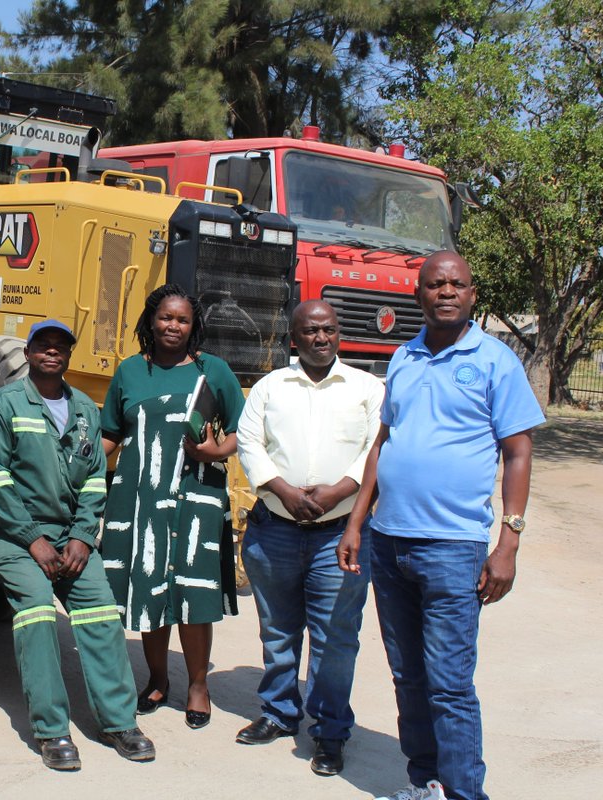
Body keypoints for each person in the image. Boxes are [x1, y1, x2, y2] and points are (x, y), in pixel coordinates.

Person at [337, 251, 544, 800]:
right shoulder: (403, 357)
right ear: (419, 295)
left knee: (449, 684)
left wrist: (509, 542)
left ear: (472, 295)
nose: (446, 291)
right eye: (435, 284)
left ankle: (463, 792)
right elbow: (384, 443)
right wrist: (358, 522)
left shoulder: (497, 361)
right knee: (408, 677)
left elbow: (518, 452)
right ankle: (425, 781)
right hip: (389, 542)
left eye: (456, 284)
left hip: (454, 548)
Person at [0, 319, 155, 770]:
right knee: (37, 612)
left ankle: (118, 722)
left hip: (68, 537)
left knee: (100, 610)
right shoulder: (3, 404)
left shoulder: (84, 410)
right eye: (43, 345)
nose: (52, 352)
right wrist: (32, 539)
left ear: (68, 356)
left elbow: (95, 478)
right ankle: (52, 730)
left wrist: (80, 536)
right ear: (30, 352)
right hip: (14, 536)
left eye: (60, 346)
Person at [234, 300, 383, 776]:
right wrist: (282, 490)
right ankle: (278, 714)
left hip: (339, 536)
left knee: (335, 640)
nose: (321, 338)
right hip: (274, 529)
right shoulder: (270, 387)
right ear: (293, 339)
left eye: (329, 330)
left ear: (338, 335)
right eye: (310, 331)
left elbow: (377, 446)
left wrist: (340, 490)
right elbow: (248, 442)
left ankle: (330, 731)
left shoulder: (366, 388)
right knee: (278, 631)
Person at [99, 284, 244, 730]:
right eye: (166, 317)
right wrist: (73, 467)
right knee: (149, 587)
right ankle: (158, 680)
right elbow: (108, 434)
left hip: (195, 498)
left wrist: (216, 453)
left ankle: (198, 687)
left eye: (182, 319)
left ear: (193, 325)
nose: (173, 326)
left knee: (194, 593)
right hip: (140, 499)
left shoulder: (213, 371)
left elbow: (242, 430)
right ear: (151, 320)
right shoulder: (129, 372)